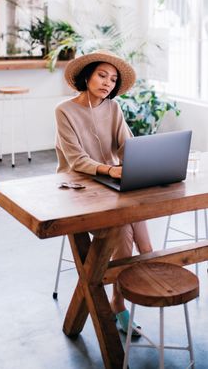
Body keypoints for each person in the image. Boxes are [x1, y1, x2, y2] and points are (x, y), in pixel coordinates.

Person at [55, 49, 153, 335]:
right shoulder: (64, 111)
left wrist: (142, 158)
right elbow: (76, 161)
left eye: (112, 79)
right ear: (87, 76)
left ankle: (130, 289)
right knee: (125, 232)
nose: (107, 83)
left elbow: (126, 146)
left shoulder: (113, 109)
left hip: (111, 183)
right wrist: (111, 170)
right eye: (101, 75)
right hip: (78, 185)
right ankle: (119, 304)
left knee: (142, 234)